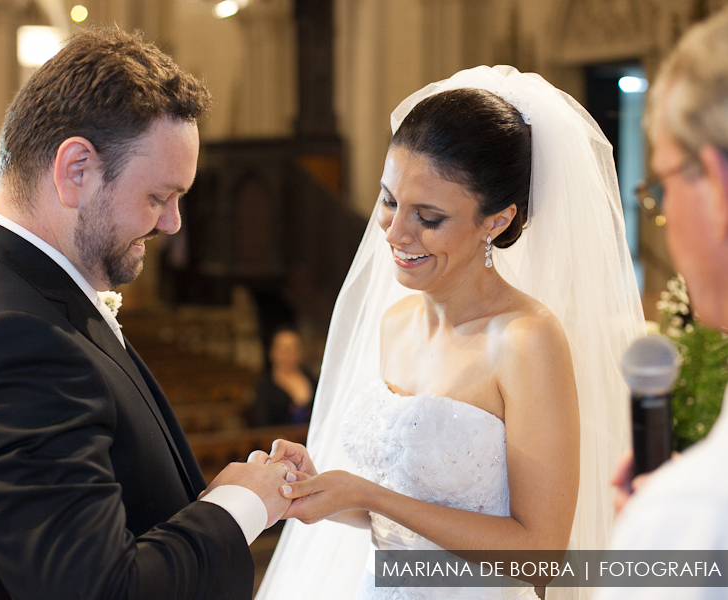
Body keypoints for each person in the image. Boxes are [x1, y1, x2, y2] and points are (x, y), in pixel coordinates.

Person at [0, 27, 292, 600]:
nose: (172, 224)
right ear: (75, 169)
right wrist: (242, 504)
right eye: (158, 197)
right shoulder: (9, 340)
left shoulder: (4, 283)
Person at [254, 66, 645, 600]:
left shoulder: (526, 341)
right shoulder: (394, 323)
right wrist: (321, 489)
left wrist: (371, 495)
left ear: (497, 221)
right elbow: (407, 530)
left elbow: (541, 554)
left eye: (428, 217)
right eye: (389, 201)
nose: (394, 232)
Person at [601, 8, 728, 599]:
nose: (664, 216)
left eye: (662, 185)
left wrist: (651, 528)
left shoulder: (690, 517)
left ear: (718, 188)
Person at [250, 328, 317, 426]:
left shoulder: (311, 379)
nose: (289, 354)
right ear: (272, 352)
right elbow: (262, 422)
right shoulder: (265, 386)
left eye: (294, 349)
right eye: (284, 349)